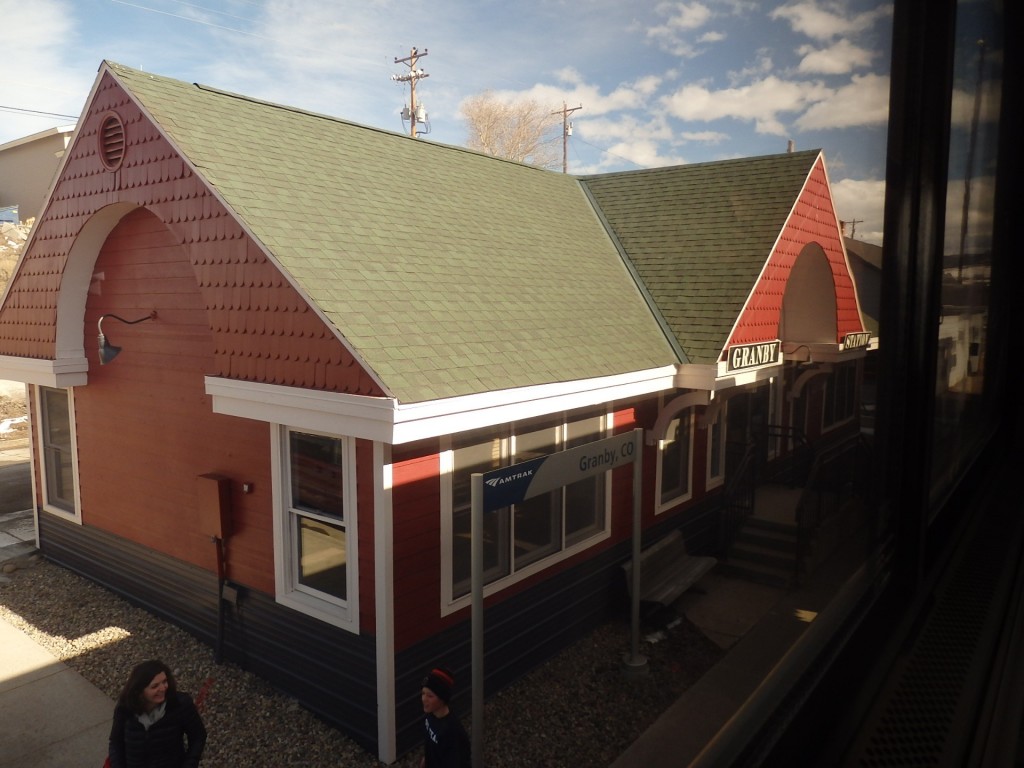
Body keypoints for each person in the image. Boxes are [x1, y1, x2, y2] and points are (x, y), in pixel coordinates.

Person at [107, 659, 207, 768]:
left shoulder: (180, 705)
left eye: (164, 682)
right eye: (155, 686)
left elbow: (198, 736)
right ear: (139, 691)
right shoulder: (124, 708)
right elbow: (116, 742)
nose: (163, 688)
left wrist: (189, 764)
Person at [420, 666, 471, 768]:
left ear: (442, 699)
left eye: (430, 696)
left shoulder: (451, 731)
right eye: (423, 693)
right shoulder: (431, 713)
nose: (424, 699)